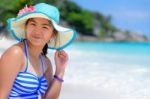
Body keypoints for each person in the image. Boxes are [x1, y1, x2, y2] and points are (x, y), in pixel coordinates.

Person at [0, 3, 76, 99]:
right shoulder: (16, 53)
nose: (37, 31)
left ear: (53, 34)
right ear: (26, 26)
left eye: (44, 27)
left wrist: (60, 70)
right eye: (33, 24)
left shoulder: (46, 62)